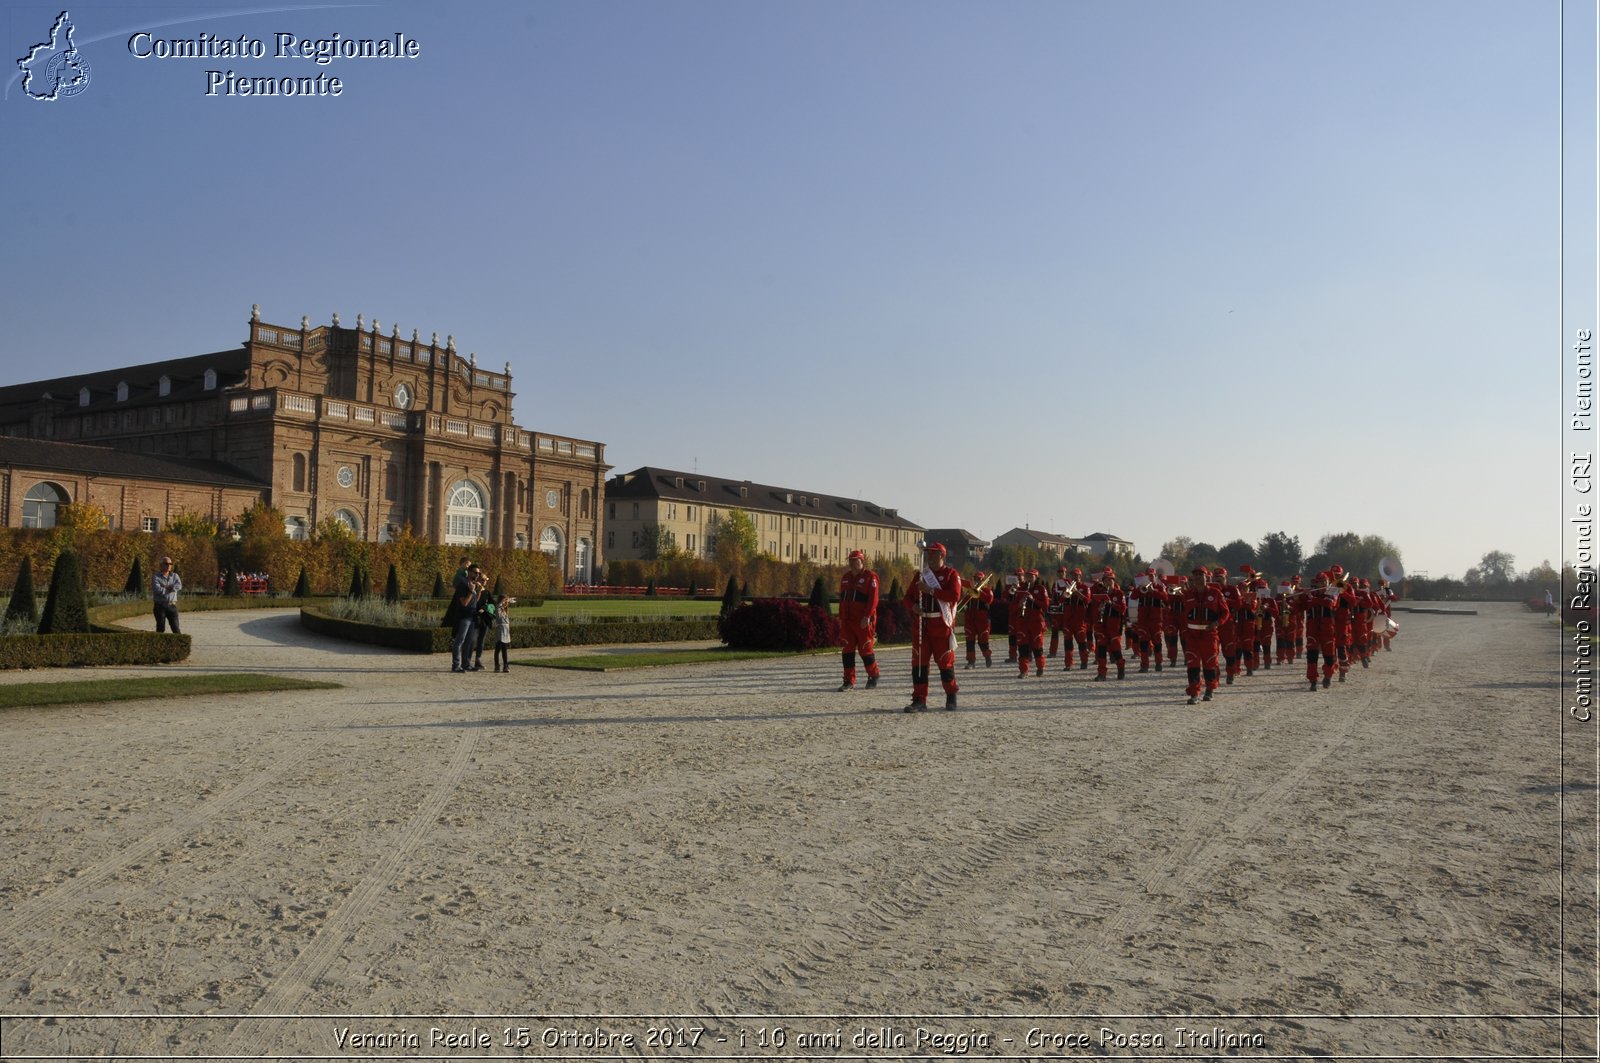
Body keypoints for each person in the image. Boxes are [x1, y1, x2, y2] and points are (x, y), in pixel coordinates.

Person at [903, 542, 963, 712]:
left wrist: (931, 590)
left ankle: (951, 695)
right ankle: (919, 699)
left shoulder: (951, 574)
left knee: (945, 662)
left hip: (941, 625)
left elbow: (954, 595)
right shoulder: (921, 575)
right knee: (919, 664)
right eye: (928, 552)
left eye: (933, 553)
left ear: (941, 555)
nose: (929, 555)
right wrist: (913, 607)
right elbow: (907, 598)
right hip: (922, 625)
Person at [1180, 566, 1230, 703]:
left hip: (1209, 634)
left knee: (1210, 664)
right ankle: (1194, 693)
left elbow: (1225, 613)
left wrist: (1217, 623)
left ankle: (1210, 689)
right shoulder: (1187, 594)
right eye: (1194, 575)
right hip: (1192, 635)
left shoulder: (1215, 594)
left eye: (1200, 575)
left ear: (1206, 577)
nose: (1197, 577)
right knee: (1193, 665)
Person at [837, 550, 881, 691]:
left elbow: (873, 600)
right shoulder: (845, 577)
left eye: (855, 560)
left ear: (862, 561)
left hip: (863, 621)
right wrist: (841, 617)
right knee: (847, 650)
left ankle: (873, 675)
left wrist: (867, 617)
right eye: (850, 560)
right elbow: (842, 599)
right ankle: (848, 680)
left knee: (865, 650)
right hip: (848, 621)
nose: (852, 562)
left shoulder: (870, 577)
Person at [448, 559, 479, 673]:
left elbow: (474, 601)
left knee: (469, 641)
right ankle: (456, 665)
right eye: (475, 573)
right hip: (464, 617)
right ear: (469, 572)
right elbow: (464, 603)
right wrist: (471, 591)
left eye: (478, 573)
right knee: (459, 640)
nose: (477, 575)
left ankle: (466, 664)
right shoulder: (463, 584)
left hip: (472, 616)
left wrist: (477, 590)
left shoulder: (473, 585)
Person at [962, 570, 995, 669]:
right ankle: (971, 662)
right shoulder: (970, 590)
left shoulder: (988, 591)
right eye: (975, 578)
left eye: (979, 579)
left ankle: (987, 656)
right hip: (970, 618)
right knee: (970, 641)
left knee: (983, 641)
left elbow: (989, 600)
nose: (977, 580)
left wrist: (979, 592)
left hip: (982, 619)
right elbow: (963, 603)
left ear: (983, 580)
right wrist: (965, 595)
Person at [152, 556, 182, 634]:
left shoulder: (175, 576)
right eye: (166, 564)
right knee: (161, 629)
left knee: (176, 628)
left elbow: (179, 586)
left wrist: (168, 588)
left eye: (170, 564)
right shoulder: (156, 576)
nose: (169, 565)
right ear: (161, 565)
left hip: (172, 606)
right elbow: (157, 589)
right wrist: (171, 589)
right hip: (160, 606)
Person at [492, 593, 515, 673]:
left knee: (504, 649)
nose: (506, 602)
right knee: (498, 648)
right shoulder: (498, 607)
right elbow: (498, 606)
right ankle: (497, 665)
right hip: (500, 629)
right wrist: (503, 601)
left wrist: (508, 601)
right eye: (504, 600)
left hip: (505, 629)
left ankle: (506, 665)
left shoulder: (504, 609)